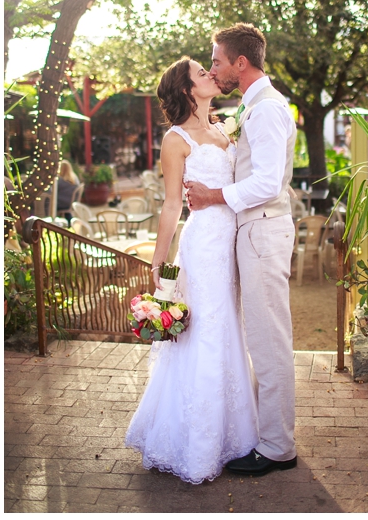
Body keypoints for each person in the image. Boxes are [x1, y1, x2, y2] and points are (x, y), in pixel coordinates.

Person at [125, 57, 258, 484]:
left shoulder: (225, 128)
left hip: (232, 244)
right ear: (187, 89)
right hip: (202, 248)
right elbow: (170, 205)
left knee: (227, 329)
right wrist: (160, 261)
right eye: (202, 73)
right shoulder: (175, 139)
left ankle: (233, 434)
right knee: (203, 331)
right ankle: (193, 443)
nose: (211, 75)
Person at [186, 23, 298, 476]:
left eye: (216, 61)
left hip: (264, 230)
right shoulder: (252, 107)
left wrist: (214, 196)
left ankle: (277, 447)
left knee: (269, 340)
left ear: (240, 63)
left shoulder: (267, 110)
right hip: (255, 231)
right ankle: (270, 436)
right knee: (262, 337)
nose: (213, 68)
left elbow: (269, 182)